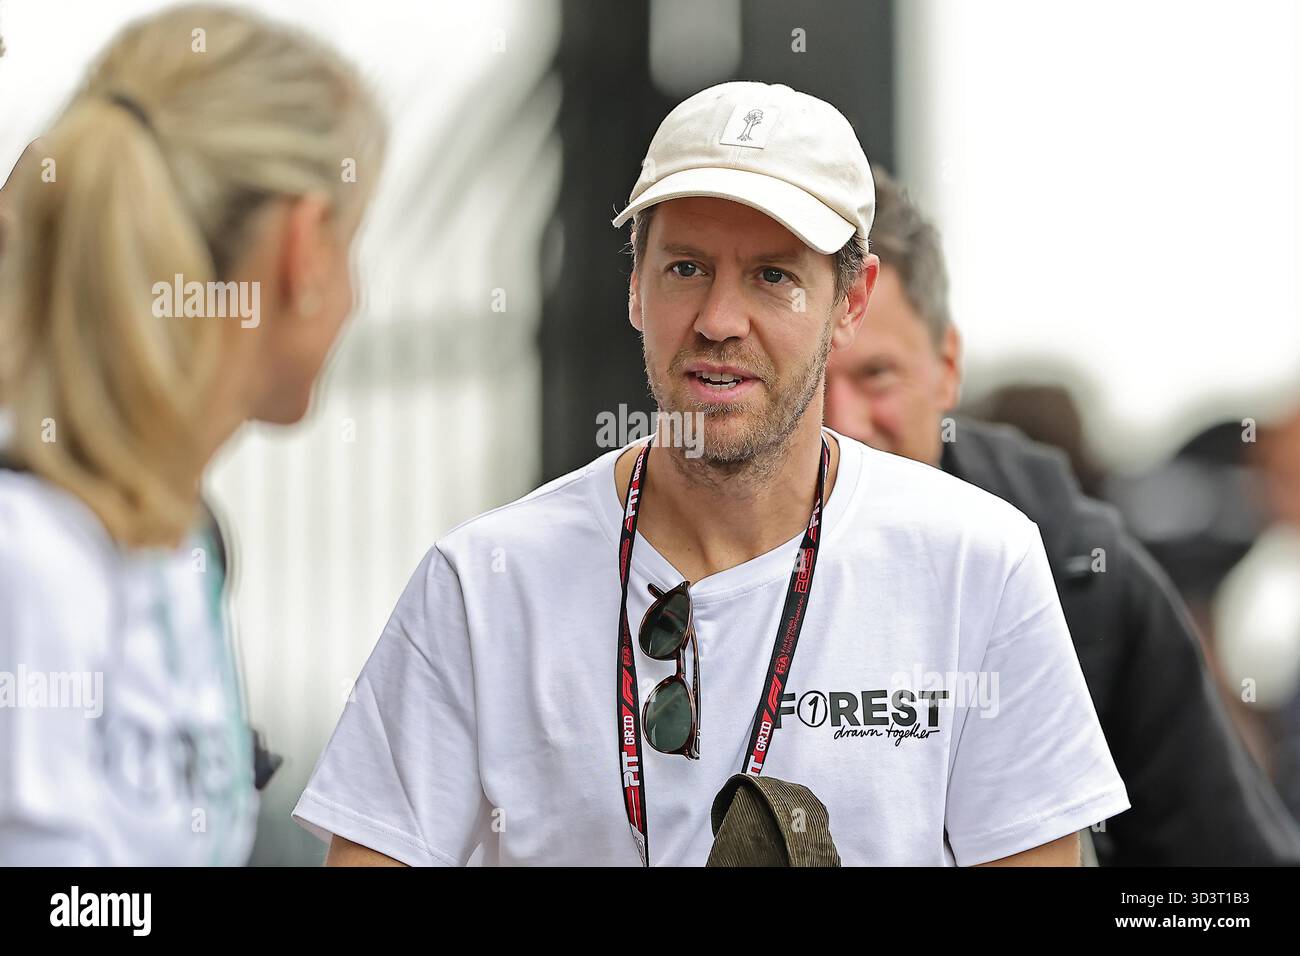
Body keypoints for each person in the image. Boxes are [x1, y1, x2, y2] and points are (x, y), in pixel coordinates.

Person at [295, 81, 1129, 867]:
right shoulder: (481, 586)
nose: (720, 321)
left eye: (773, 276)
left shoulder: (977, 566)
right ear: (634, 286)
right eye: (686, 268)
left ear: (852, 301)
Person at [824, 165, 1300, 865]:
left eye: (876, 375)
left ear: (946, 367)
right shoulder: (664, 560)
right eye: (812, 380)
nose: (841, 422)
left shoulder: (1086, 575)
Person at [0, 3, 386, 864]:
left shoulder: (179, 540)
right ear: (304, 250)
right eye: (353, 242)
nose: (358, 295)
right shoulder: (27, 550)